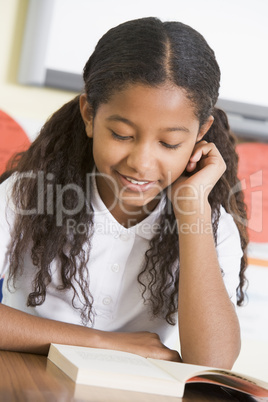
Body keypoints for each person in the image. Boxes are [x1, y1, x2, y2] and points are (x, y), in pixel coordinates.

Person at [0, 17, 248, 368]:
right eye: (122, 135)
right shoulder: (29, 193)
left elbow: (214, 360)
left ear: (200, 133)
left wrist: (192, 211)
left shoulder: (211, 221)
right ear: (89, 114)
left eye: (170, 143)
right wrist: (105, 343)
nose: (141, 163)